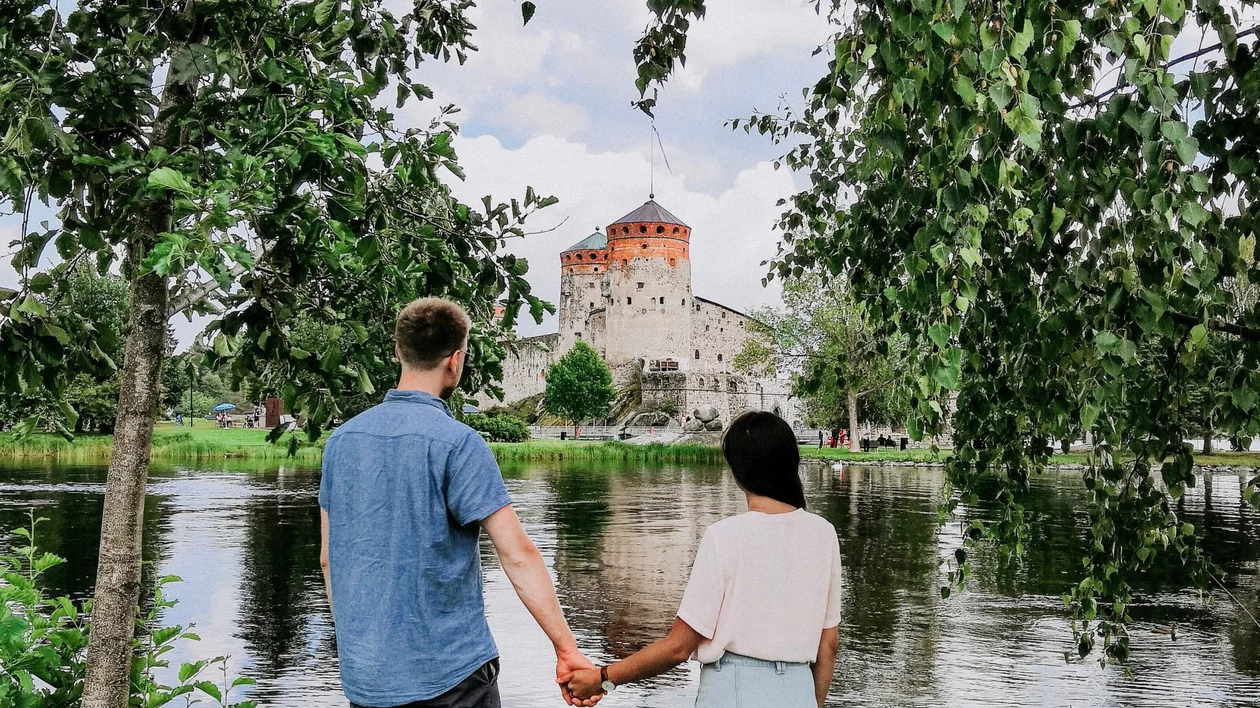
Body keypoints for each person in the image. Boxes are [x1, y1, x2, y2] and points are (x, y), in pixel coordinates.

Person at [320, 297, 600, 708]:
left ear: (399, 352)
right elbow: (518, 555)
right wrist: (567, 650)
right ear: (455, 361)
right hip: (451, 679)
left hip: (367, 680)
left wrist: (361, 646)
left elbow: (329, 560)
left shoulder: (340, 442)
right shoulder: (458, 443)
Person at [562, 411, 842, 707]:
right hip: (798, 691)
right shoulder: (824, 534)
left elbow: (678, 648)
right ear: (791, 463)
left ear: (737, 473)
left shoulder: (724, 536)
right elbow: (829, 645)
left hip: (733, 690)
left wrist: (603, 677)